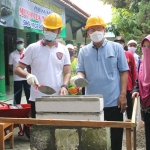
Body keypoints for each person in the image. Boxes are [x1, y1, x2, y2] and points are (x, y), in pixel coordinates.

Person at [71, 15, 129, 150]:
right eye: (92, 29)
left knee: (115, 140)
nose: (95, 32)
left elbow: (123, 72)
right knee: (94, 140)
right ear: (88, 32)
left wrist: (123, 94)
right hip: (92, 103)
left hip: (114, 102)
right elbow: (81, 71)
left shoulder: (116, 48)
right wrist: (78, 77)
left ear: (104, 30)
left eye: (98, 28)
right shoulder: (84, 51)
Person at [14, 13, 71, 118]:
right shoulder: (32, 48)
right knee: (39, 129)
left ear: (59, 31)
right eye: (47, 29)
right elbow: (17, 68)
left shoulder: (64, 50)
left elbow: (67, 72)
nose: (49, 32)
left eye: (53, 30)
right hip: (37, 97)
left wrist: (64, 86)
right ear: (43, 28)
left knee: (57, 128)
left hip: (57, 96)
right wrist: (27, 75)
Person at [132, 35, 150, 150]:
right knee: (148, 133)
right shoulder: (142, 63)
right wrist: (136, 90)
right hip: (146, 106)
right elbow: (139, 80)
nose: (146, 49)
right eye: (144, 46)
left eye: (149, 46)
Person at [114, 36, 137, 119]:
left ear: (124, 44)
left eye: (121, 43)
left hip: (128, 85)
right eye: (116, 43)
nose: (119, 44)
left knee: (129, 105)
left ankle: (130, 121)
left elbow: (133, 70)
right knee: (117, 106)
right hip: (115, 85)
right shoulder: (112, 55)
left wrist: (135, 84)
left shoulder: (129, 54)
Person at [9, 38, 30, 104]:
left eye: (21, 43)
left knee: (28, 93)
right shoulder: (12, 54)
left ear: (23, 43)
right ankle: (16, 107)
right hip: (17, 78)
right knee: (17, 93)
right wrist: (17, 71)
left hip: (27, 77)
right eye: (18, 43)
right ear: (16, 44)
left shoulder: (28, 52)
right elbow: (10, 65)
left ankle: (30, 107)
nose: (19, 44)